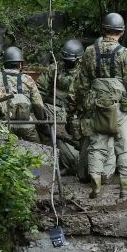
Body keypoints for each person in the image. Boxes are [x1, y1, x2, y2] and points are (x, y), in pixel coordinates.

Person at [67, 12, 127, 198]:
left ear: (103, 29)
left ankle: (96, 187)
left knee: (97, 145)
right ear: (122, 32)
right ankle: (125, 188)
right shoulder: (124, 53)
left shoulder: (90, 51)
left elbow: (81, 84)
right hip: (120, 108)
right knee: (125, 145)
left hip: (97, 106)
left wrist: (76, 107)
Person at [38, 39, 85, 174]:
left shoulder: (84, 72)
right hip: (54, 111)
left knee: (77, 158)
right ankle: (52, 163)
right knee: (48, 135)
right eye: (66, 59)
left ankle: (69, 163)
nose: (68, 62)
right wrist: (39, 109)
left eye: (71, 60)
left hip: (75, 116)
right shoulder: (54, 69)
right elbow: (40, 90)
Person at [1, 46, 47, 143]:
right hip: (25, 124)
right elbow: (38, 105)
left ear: (4, 64)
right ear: (20, 65)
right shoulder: (28, 80)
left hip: (4, 124)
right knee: (38, 150)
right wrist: (43, 122)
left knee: (0, 148)